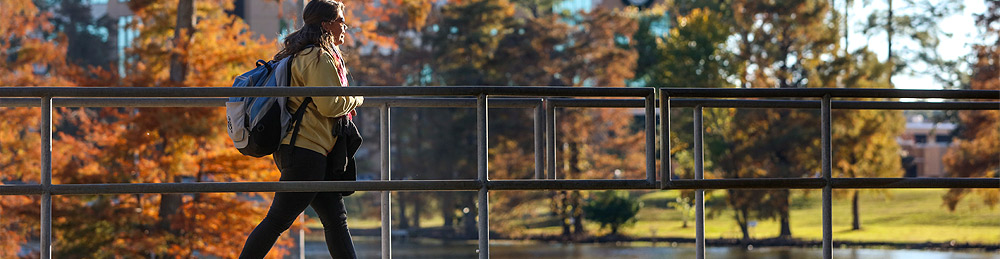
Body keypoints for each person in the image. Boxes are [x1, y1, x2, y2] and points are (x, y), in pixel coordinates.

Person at [239, 0, 362, 258]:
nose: (344, 27)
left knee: (336, 221)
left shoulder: (303, 53)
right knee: (277, 222)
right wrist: (357, 98)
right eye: (341, 21)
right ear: (326, 24)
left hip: (309, 151)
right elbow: (330, 105)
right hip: (306, 152)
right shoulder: (317, 56)